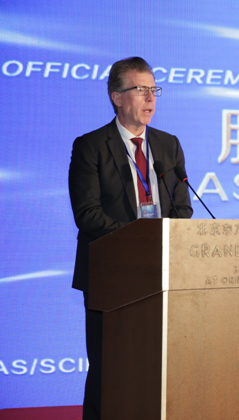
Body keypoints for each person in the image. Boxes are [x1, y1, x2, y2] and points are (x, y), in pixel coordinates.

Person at [68, 56, 193, 420]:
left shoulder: (168, 145)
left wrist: (164, 246)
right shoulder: (91, 146)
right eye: (141, 90)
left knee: (157, 365)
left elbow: (182, 208)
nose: (150, 98)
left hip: (162, 275)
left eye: (154, 90)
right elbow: (87, 214)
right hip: (110, 274)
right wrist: (140, 242)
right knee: (108, 367)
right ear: (117, 97)